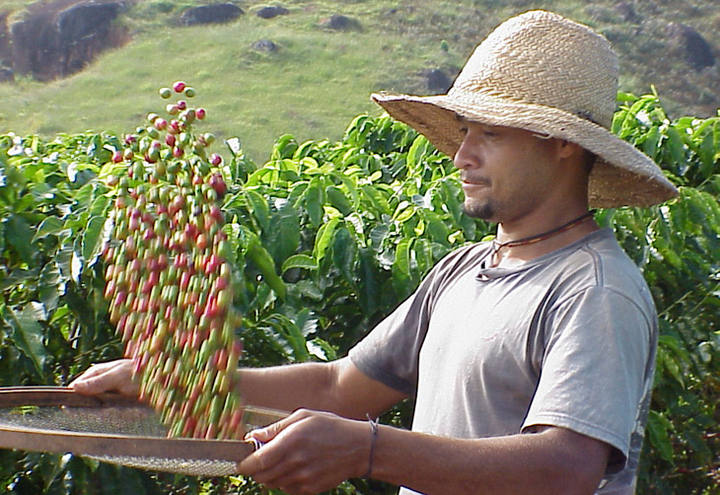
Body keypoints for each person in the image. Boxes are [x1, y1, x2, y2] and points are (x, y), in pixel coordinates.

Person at [71, 10, 679, 495]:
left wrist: (368, 450)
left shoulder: (594, 292)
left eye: (488, 134)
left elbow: (564, 470)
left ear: (560, 145)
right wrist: (186, 385)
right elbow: (340, 386)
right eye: (464, 131)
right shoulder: (464, 272)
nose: (462, 155)